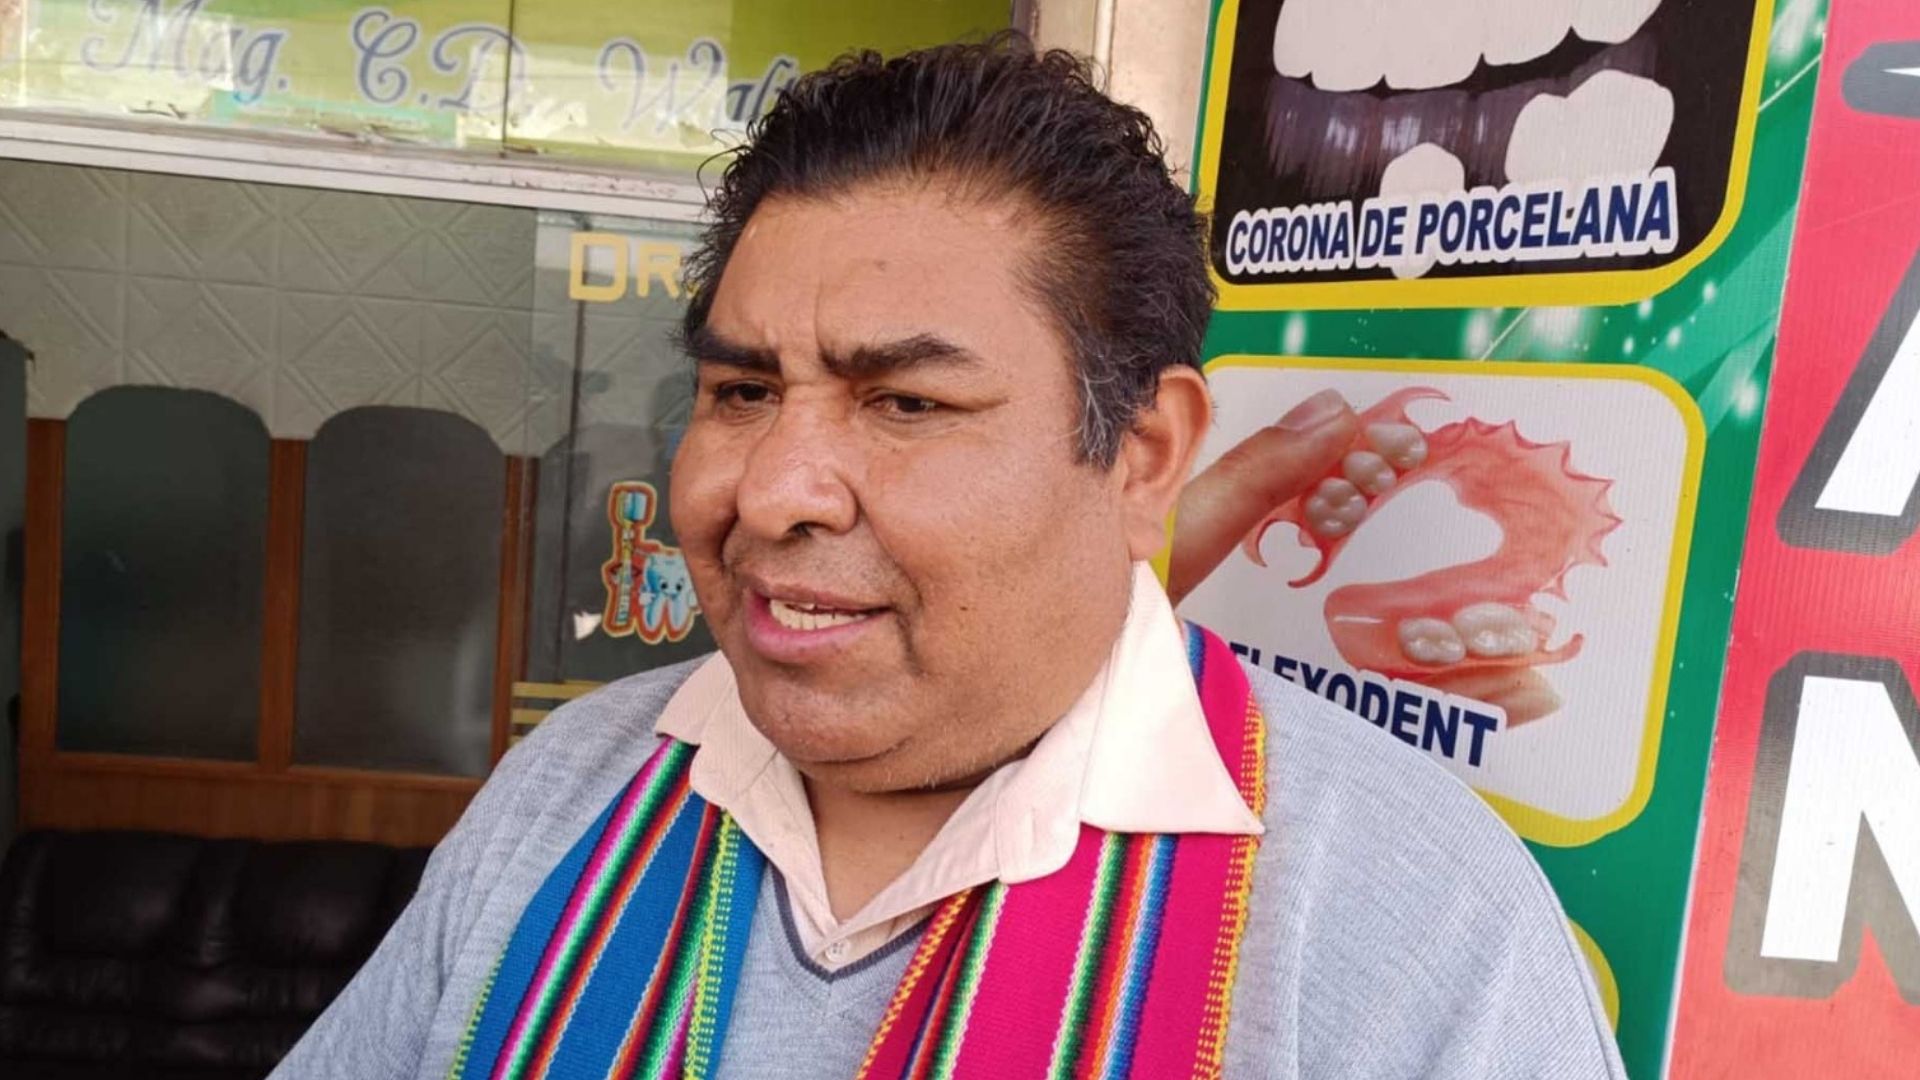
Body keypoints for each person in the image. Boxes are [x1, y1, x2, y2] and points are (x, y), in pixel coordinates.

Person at [273, 34, 1623, 1080]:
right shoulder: (570, 790)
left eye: (906, 403)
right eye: (742, 391)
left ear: (1144, 455)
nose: (774, 492)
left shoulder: (1407, 919)